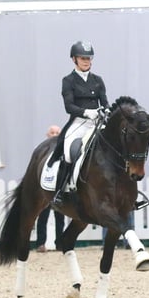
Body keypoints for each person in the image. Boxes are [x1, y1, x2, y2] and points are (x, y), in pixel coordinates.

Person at [51, 40, 109, 204]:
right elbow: (69, 106)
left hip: (97, 122)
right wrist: (85, 112)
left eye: (88, 58)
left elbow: (104, 102)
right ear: (74, 59)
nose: (86, 61)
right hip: (78, 122)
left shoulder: (98, 80)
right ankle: (60, 191)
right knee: (70, 152)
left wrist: (105, 111)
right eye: (82, 58)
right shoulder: (68, 80)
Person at [36, 125, 65, 252]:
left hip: (58, 189)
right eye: (52, 132)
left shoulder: (64, 151)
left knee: (60, 218)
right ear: (47, 135)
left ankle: (60, 243)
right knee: (42, 218)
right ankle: (40, 243)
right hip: (46, 189)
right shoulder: (42, 152)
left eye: (57, 133)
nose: (55, 135)